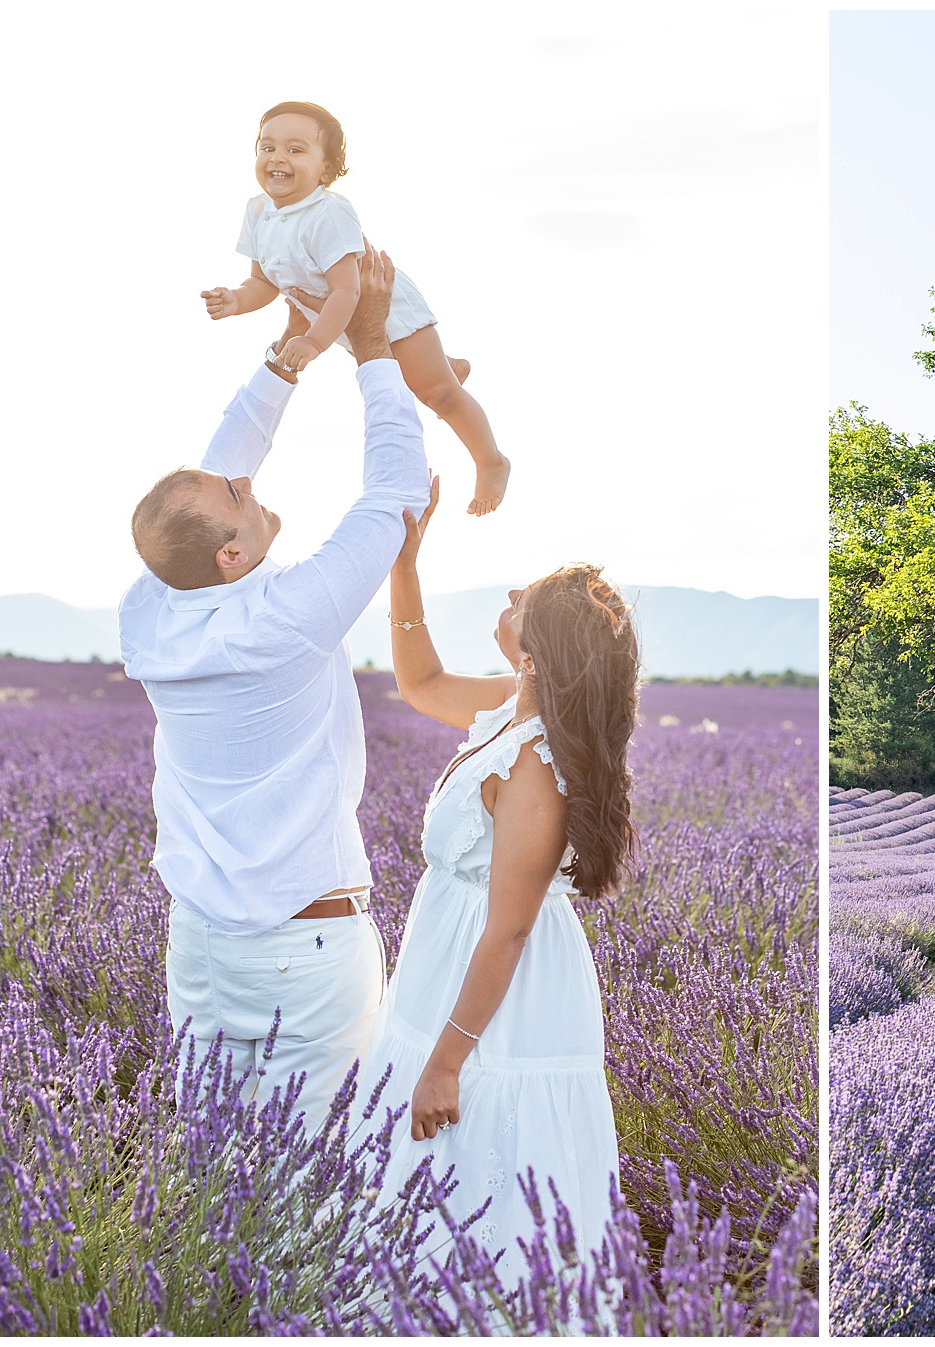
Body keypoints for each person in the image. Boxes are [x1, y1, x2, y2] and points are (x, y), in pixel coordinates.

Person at [123, 250, 430, 1129]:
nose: (248, 479)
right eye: (237, 497)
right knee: (317, 1178)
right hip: (306, 942)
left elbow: (207, 484)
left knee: (211, 1171)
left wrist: (286, 359)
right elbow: (398, 491)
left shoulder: (151, 606)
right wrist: (373, 347)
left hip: (203, 944)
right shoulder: (287, 618)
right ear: (231, 556)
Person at [354, 479, 637, 1265]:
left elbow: (509, 928)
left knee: (490, 1158)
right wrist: (405, 563)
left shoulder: (537, 764)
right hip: (448, 963)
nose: (509, 592)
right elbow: (418, 683)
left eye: (526, 596)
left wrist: (447, 1061)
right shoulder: (512, 709)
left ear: (541, 646)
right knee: (436, 1172)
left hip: (496, 989)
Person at [202, 100, 509, 517]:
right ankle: (445, 363)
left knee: (438, 394)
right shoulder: (258, 212)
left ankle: (491, 460)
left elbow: (346, 292)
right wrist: (237, 300)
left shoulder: (329, 213)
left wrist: (311, 342)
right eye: (267, 147)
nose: (277, 158)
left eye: (295, 150)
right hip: (336, 322)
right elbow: (263, 281)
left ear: (326, 171)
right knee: (413, 373)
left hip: (380, 309)